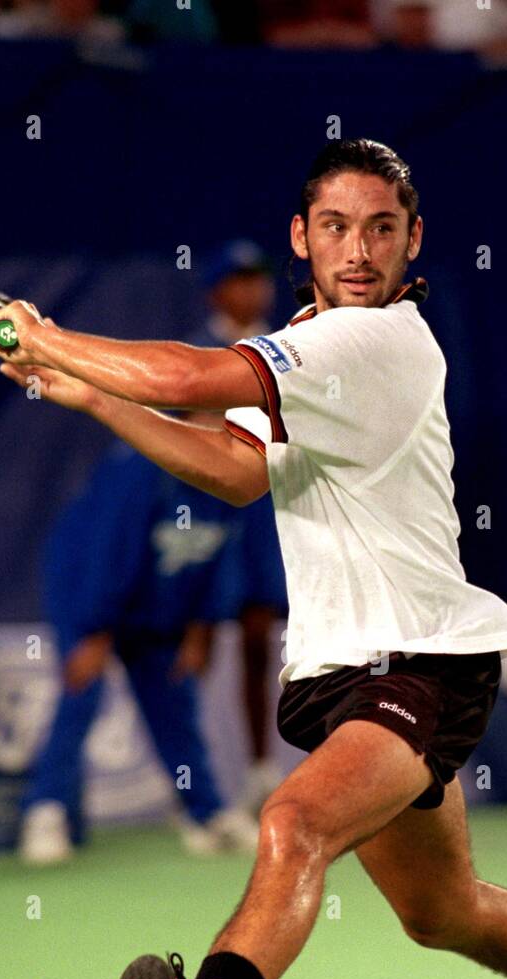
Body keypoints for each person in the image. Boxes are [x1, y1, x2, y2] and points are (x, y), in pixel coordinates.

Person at [0, 138, 507, 979]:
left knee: (292, 823)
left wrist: (47, 340)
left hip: (424, 659)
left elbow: (184, 377)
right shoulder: (311, 340)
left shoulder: (380, 340)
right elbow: (235, 470)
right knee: (444, 912)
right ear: (303, 236)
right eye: (338, 227)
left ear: (412, 239)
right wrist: (91, 396)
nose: (359, 250)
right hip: (339, 671)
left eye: (381, 228)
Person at [19, 442, 259, 863]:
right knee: (82, 693)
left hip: (161, 598)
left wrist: (201, 627)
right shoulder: (144, 465)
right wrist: (96, 629)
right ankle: (47, 811)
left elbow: (223, 555)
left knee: (174, 700)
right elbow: (110, 548)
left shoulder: (237, 470)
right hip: (87, 588)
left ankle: (205, 813)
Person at [193, 242, 289, 815]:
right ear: (216, 291)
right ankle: (195, 790)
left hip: (264, 515)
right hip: (202, 516)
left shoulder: (291, 349)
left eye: (259, 278)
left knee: (260, 638)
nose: (252, 289)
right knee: (192, 640)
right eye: (239, 279)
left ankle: (259, 774)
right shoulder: (193, 352)